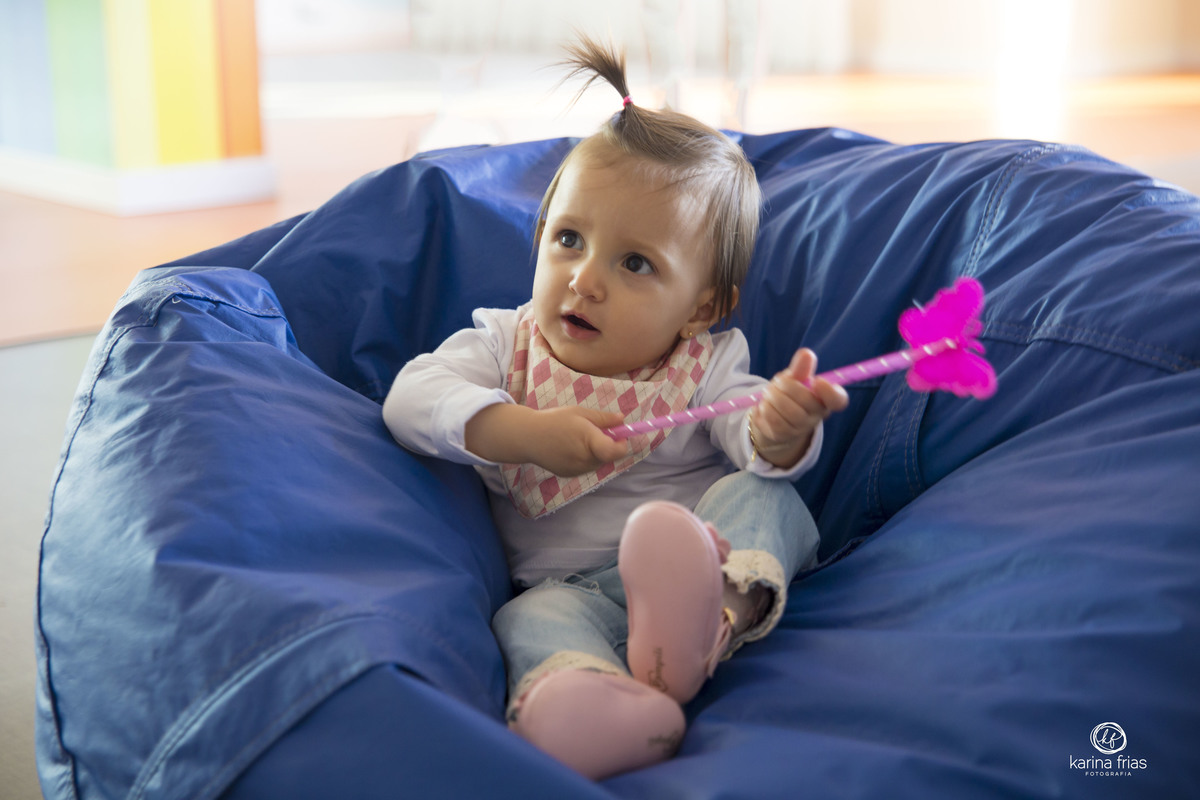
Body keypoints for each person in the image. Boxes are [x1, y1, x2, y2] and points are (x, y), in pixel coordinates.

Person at [383, 37, 848, 780]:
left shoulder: (705, 365)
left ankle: (710, 623)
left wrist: (779, 429)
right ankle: (593, 705)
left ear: (700, 309)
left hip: (705, 563)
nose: (585, 280)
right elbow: (411, 399)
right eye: (569, 240)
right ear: (538, 240)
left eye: (635, 264)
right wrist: (522, 432)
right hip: (569, 592)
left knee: (764, 491)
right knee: (526, 622)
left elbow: (746, 430)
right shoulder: (506, 344)